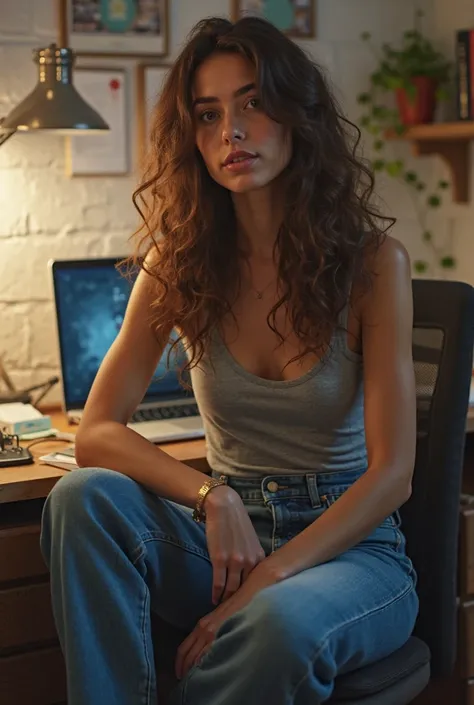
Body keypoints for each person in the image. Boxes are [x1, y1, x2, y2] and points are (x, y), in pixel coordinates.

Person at [40, 15, 419, 705]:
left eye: (252, 103)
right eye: (208, 115)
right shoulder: (179, 265)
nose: (231, 132)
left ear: (296, 114)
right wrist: (211, 496)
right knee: (80, 498)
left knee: (279, 621)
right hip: (228, 537)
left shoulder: (372, 267)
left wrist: (264, 582)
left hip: (352, 553)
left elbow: (392, 475)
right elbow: (95, 432)